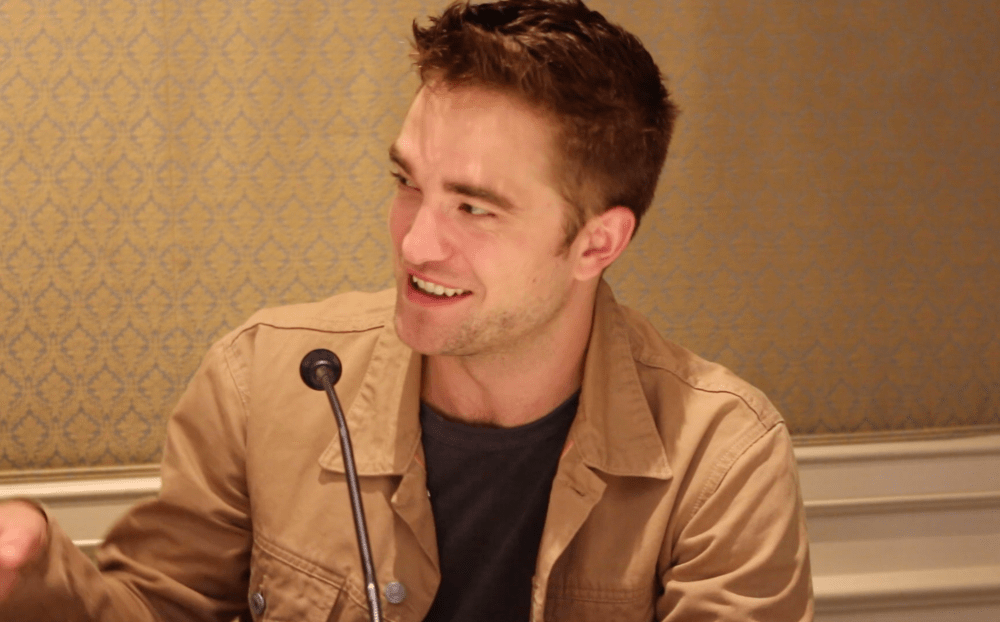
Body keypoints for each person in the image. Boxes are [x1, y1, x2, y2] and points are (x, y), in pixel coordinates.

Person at [0, 0, 813, 620]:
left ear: (596, 243)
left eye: (474, 208)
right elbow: (157, 607)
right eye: (407, 183)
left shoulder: (721, 461)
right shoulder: (262, 379)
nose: (415, 244)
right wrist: (34, 573)